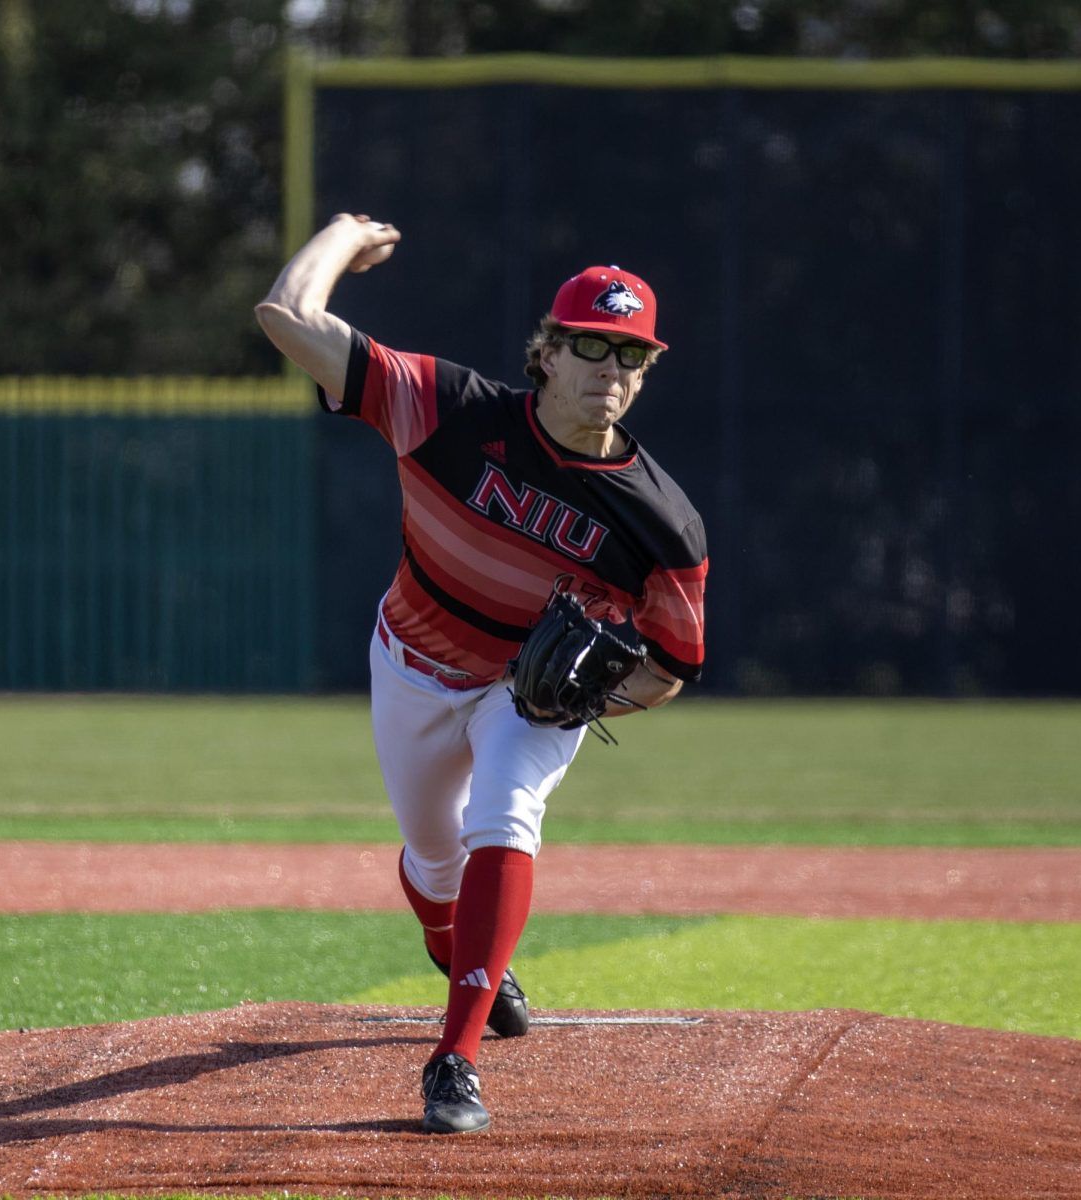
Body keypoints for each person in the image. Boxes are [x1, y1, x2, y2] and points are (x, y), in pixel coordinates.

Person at [255, 213, 707, 1135]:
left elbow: (670, 667)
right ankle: (465, 955)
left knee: (508, 812)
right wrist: (342, 236)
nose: (608, 372)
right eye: (589, 346)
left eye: (629, 356)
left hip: (527, 691)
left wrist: (588, 696)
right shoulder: (447, 409)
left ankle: (453, 1058)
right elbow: (286, 317)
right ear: (546, 353)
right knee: (432, 862)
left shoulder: (664, 524)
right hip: (413, 666)